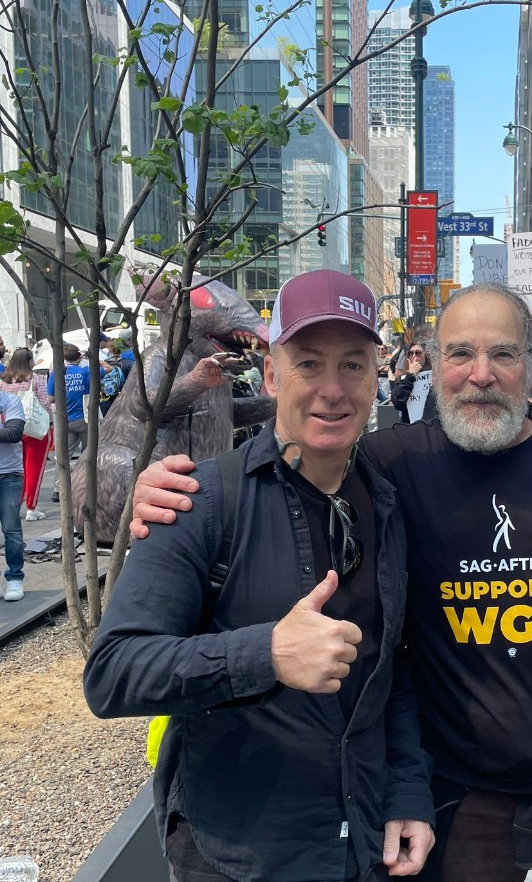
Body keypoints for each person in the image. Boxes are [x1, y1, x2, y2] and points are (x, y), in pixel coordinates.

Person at [131, 281, 532, 882]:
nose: (480, 373)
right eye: (460, 353)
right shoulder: (390, 463)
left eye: (503, 353)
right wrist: (176, 492)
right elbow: (298, 466)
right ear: (434, 365)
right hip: (457, 783)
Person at [84, 269, 435, 882]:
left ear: (376, 377)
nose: (332, 389)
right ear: (272, 376)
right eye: (308, 364)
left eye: (353, 365)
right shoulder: (197, 502)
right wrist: (265, 652)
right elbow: (113, 674)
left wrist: (407, 792)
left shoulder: (386, 503)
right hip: (239, 855)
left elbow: (393, 667)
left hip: (368, 849)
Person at [0, 347, 54, 521]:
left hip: (10, 428)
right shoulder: (36, 379)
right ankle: (31, 507)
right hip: (34, 428)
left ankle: (14, 505)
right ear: (30, 361)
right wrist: (50, 423)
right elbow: (45, 404)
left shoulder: (4, 381)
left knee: (15, 470)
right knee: (34, 469)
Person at [0, 386, 25, 601]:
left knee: (11, 530)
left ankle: (15, 577)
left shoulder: (11, 401)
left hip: (9, 475)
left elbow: (13, 433)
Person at [391, 343, 434, 423]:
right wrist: (411, 375)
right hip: (410, 426)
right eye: (411, 353)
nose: (414, 356)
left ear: (426, 356)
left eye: (418, 353)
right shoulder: (404, 378)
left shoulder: (434, 377)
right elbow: (397, 401)